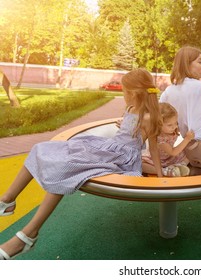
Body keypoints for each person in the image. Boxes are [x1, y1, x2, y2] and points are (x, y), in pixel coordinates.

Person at [0, 68, 163, 260]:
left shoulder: (149, 118)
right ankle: (7, 200)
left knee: (68, 168)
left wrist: (160, 176)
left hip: (119, 158)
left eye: (124, 92)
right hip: (107, 147)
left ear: (134, 93)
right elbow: (128, 132)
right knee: (40, 148)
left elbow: (152, 149)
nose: (123, 95)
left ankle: (28, 234)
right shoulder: (130, 109)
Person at [142, 102, 195, 177]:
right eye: (170, 125)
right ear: (158, 124)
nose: (174, 127)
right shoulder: (160, 140)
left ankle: (179, 166)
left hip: (170, 158)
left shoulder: (171, 130)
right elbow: (173, 152)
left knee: (189, 153)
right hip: (159, 160)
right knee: (142, 165)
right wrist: (187, 139)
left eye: (176, 123)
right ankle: (164, 171)